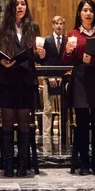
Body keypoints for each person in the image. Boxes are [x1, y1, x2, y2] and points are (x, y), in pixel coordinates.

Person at [0, 0, 45, 177]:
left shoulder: (33, 27)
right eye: (16, 4)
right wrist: (2, 61)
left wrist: (41, 55)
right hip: (7, 80)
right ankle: (7, 164)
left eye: (23, 4)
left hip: (25, 81)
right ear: (11, 8)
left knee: (23, 124)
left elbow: (37, 56)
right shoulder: (1, 27)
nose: (20, 7)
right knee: (6, 124)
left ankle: (22, 164)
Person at [63, 0, 95, 176]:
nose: (88, 13)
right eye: (85, 10)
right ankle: (83, 164)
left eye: (91, 10)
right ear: (79, 13)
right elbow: (66, 59)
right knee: (82, 124)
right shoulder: (73, 33)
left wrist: (93, 60)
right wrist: (69, 51)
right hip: (81, 80)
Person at [40, 15, 66, 154]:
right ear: (52, 25)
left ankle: (64, 135)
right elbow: (42, 60)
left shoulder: (67, 41)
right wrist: (49, 76)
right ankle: (46, 138)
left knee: (64, 108)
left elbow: (68, 61)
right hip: (49, 78)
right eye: (57, 23)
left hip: (63, 79)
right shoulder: (47, 40)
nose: (59, 26)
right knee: (47, 109)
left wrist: (64, 77)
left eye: (61, 23)